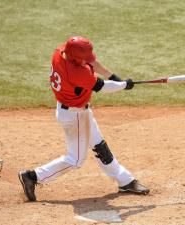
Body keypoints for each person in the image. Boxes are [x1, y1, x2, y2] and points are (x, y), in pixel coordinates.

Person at [18, 36, 149, 202]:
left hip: (75, 110)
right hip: (75, 116)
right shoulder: (76, 72)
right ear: (75, 58)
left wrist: (113, 76)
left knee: (99, 146)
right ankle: (33, 176)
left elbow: (92, 61)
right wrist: (124, 85)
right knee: (76, 160)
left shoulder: (61, 52)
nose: (87, 60)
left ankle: (125, 181)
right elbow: (102, 87)